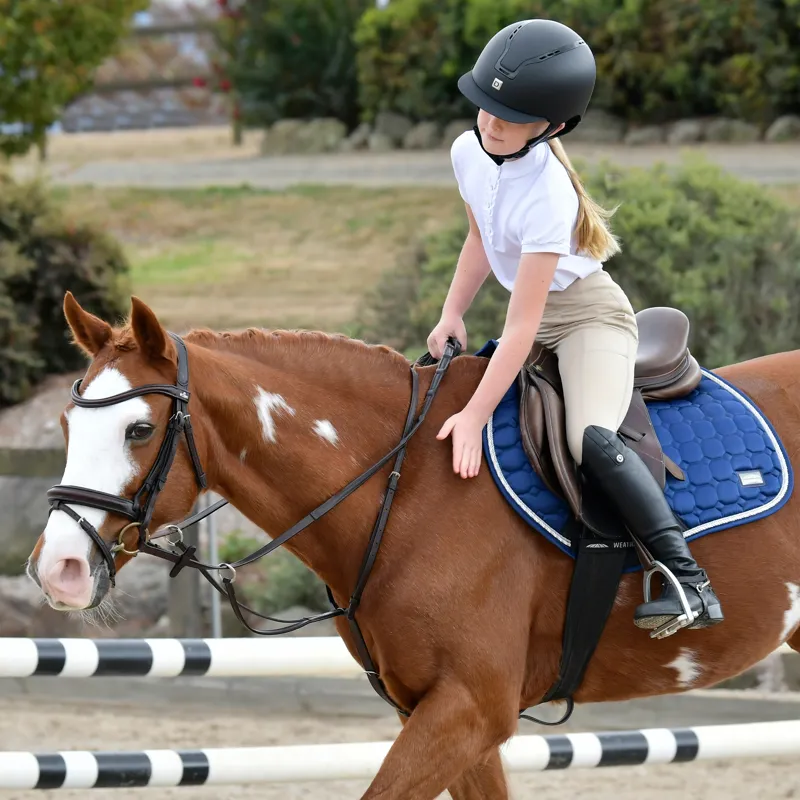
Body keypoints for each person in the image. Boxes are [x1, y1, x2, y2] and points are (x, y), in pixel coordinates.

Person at [428, 19, 723, 634]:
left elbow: (523, 324)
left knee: (587, 435)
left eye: (509, 117)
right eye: (485, 107)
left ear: (553, 127)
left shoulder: (551, 192)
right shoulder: (466, 150)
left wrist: (478, 413)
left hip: (587, 317)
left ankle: (687, 579)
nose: (491, 123)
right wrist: (451, 310)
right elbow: (481, 236)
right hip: (533, 320)